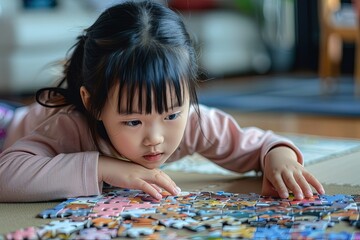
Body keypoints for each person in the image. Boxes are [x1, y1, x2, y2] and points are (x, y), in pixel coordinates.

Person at [0, 0, 324, 202]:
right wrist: (104, 167)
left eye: (170, 115)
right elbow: (6, 176)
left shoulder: (195, 122)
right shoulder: (70, 126)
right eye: (132, 121)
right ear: (93, 104)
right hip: (9, 128)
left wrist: (278, 158)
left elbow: (259, 145)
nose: (155, 138)